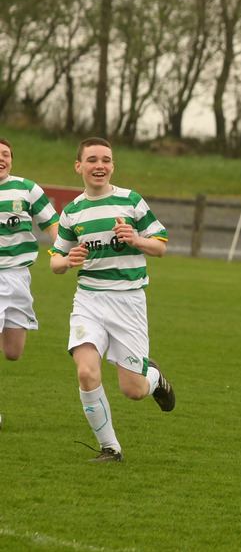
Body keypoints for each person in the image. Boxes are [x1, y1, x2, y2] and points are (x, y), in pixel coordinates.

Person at [49, 137, 175, 462]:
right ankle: (110, 448)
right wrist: (68, 260)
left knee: (133, 390)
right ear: (79, 166)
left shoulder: (131, 201)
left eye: (106, 159)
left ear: (112, 166)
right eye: (92, 160)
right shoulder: (73, 212)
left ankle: (155, 378)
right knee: (86, 372)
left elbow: (160, 245)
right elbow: (55, 262)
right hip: (89, 301)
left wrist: (136, 239)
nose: (99, 165)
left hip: (128, 302)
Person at [0, 138, 59, 430]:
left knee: (13, 352)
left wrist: (64, 250)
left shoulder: (27, 188)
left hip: (18, 276)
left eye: (6, 154)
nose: (2, 158)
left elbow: (52, 224)